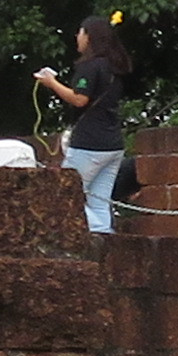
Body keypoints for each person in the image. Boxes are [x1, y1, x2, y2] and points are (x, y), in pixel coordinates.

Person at [34, 17, 139, 235]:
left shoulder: (89, 66)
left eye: (80, 32)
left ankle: (90, 237)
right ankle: (103, 238)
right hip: (113, 144)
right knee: (98, 201)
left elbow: (80, 99)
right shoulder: (113, 67)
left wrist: (51, 83)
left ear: (89, 37)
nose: (77, 37)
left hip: (89, 144)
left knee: (65, 193)